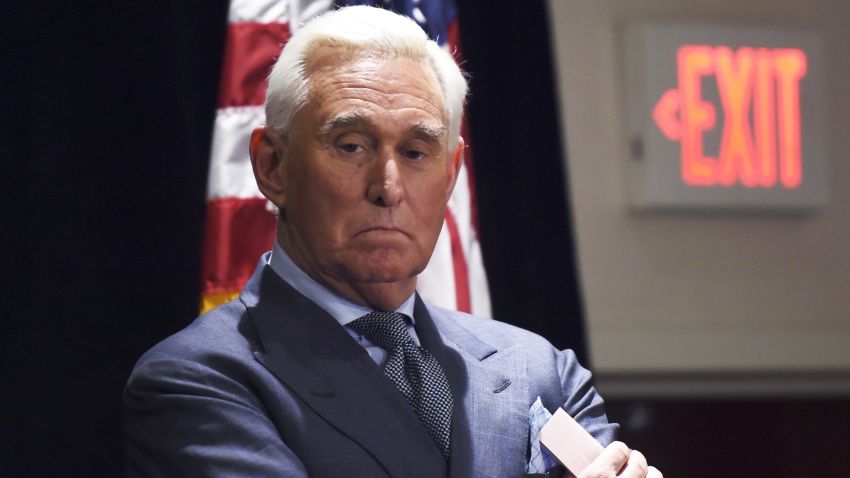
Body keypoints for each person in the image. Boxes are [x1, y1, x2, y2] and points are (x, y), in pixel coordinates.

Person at [123, 6, 661, 478]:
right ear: (273, 165)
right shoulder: (199, 380)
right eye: (352, 145)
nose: (387, 187)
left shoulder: (538, 370)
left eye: (416, 152)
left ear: (451, 175)